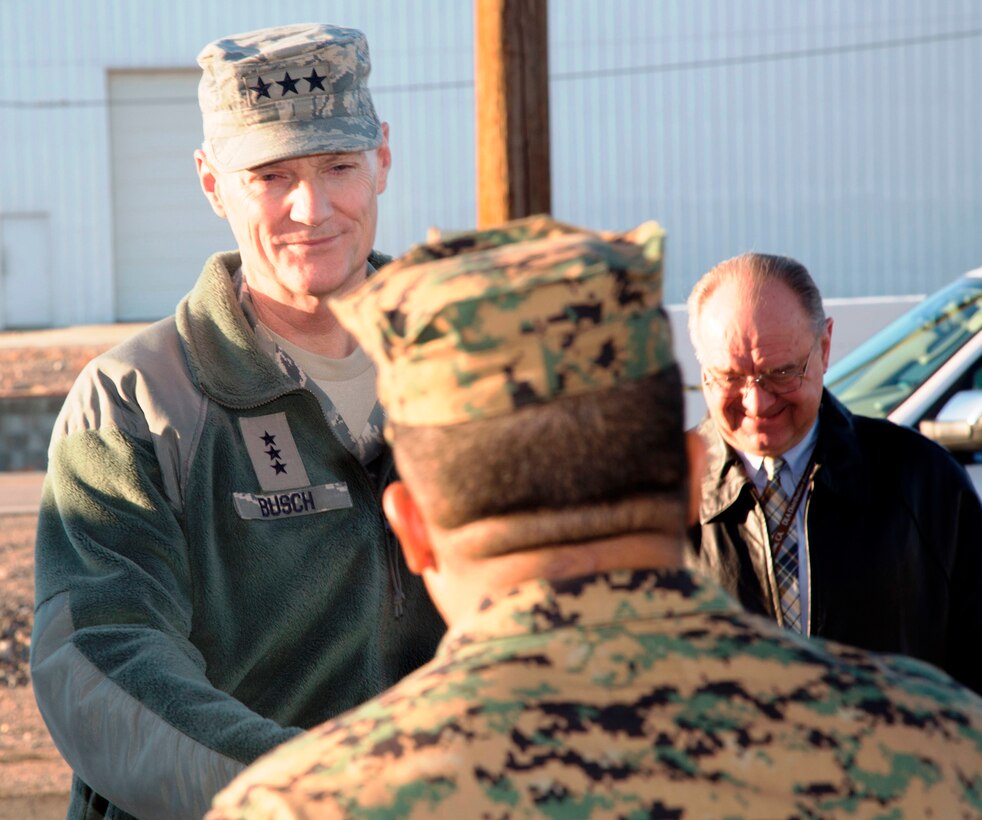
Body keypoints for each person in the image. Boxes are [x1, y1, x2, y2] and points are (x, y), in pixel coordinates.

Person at [205, 216, 982, 819]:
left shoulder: (304, 802)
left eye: (783, 371)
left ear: (409, 526)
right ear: (684, 473)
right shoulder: (938, 749)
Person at [30, 23, 445, 819]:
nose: (311, 208)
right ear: (211, 182)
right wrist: (320, 796)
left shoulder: (470, 373)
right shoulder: (136, 401)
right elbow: (104, 661)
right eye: (270, 175)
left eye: (339, 166)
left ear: (383, 159)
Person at [685, 251, 982, 693]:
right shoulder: (654, 502)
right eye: (728, 377)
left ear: (824, 348)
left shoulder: (924, 485)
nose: (757, 403)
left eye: (781, 372)